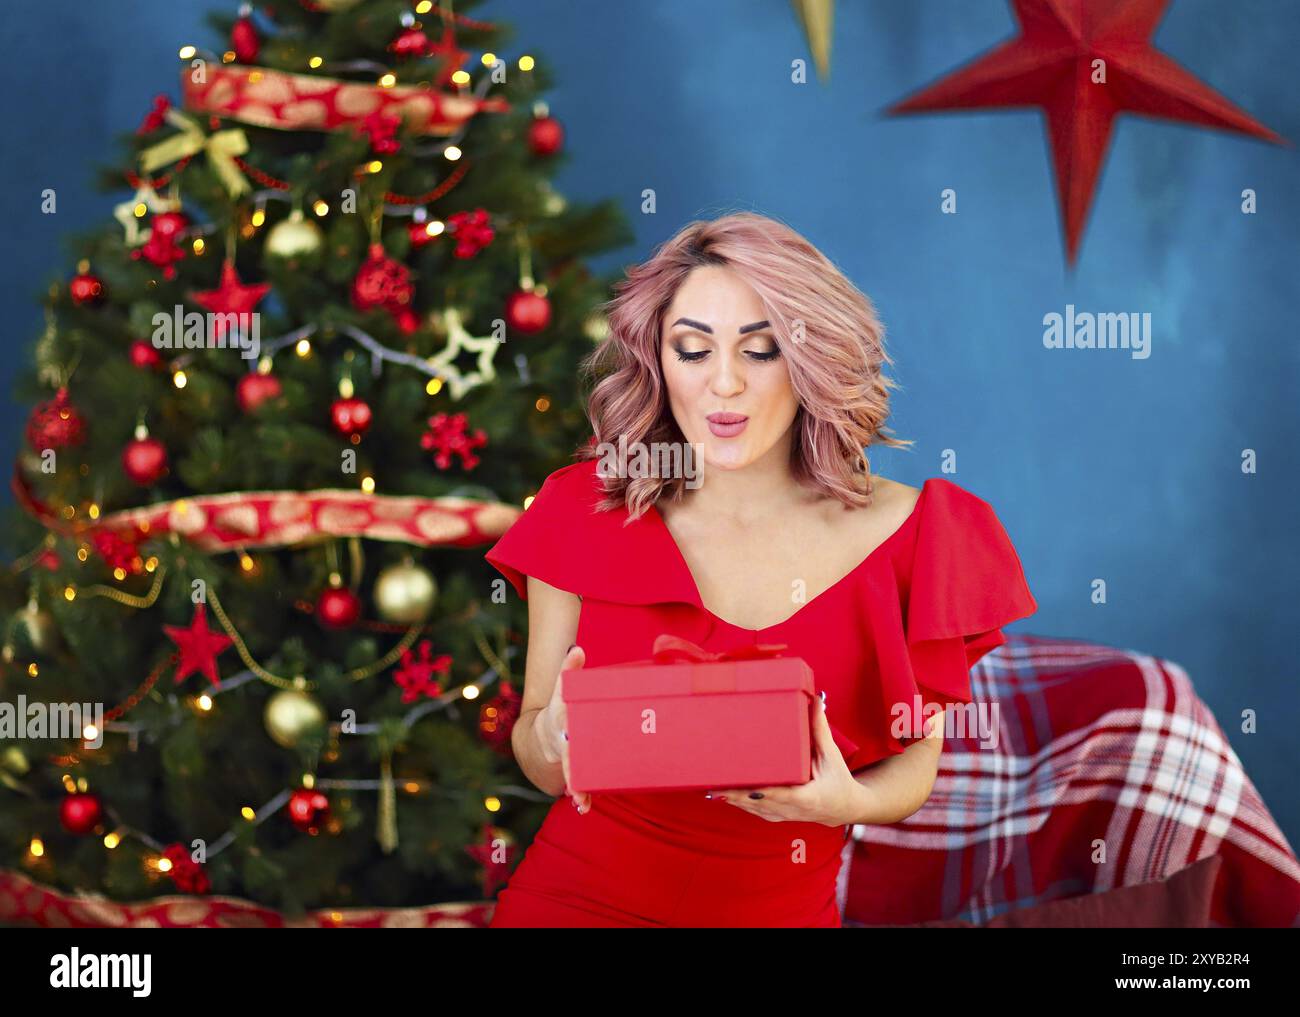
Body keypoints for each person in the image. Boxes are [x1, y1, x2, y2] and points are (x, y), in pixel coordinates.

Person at [484, 211, 1037, 927]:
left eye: (759, 350)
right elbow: (535, 741)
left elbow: (914, 760)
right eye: (692, 350)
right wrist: (553, 738)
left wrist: (850, 803)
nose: (723, 385)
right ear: (660, 363)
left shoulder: (919, 532)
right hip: (576, 898)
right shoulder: (580, 509)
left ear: (810, 360)